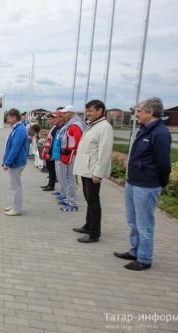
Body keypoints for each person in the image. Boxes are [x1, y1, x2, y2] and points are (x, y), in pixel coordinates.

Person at [114, 97, 172, 271]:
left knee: (144, 224)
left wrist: (162, 182)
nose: (136, 114)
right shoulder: (144, 129)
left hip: (146, 185)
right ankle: (135, 250)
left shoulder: (160, 133)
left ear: (150, 112)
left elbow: (163, 163)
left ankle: (144, 258)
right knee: (133, 221)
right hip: (134, 182)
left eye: (139, 111)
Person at [73, 100, 113, 243]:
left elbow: (104, 152)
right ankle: (88, 225)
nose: (88, 113)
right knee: (89, 200)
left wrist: (98, 173)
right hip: (86, 169)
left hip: (92, 171)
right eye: (87, 111)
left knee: (93, 201)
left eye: (91, 111)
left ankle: (94, 233)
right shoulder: (93, 125)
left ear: (101, 111)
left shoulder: (104, 127)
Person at [56, 105, 85, 212]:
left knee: (70, 179)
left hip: (71, 156)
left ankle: (72, 203)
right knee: (68, 179)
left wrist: (73, 153)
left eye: (65, 113)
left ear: (72, 113)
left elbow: (79, 142)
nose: (63, 115)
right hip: (68, 155)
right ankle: (69, 200)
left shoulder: (74, 126)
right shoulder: (70, 124)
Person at [2, 108, 28, 216]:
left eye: (8, 118)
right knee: (14, 186)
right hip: (15, 161)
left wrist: (7, 162)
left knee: (15, 187)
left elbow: (15, 148)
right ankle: (15, 205)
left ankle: (17, 209)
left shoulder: (20, 129)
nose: (7, 120)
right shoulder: (17, 128)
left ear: (14, 117)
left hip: (16, 162)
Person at [41, 109, 63, 191]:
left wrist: (49, 153)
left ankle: (51, 185)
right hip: (50, 150)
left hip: (52, 151)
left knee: (52, 169)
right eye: (48, 119)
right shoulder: (54, 127)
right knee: (50, 169)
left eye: (51, 119)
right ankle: (49, 184)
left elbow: (54, 141)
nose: (49, 120)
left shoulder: (56, 127)